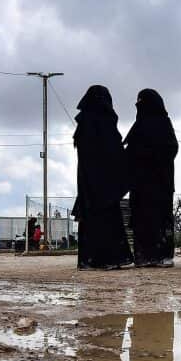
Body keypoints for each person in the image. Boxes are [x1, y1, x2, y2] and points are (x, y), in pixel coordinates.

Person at [72, 85, 133, 270]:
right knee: (107, 218)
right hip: (106, 183)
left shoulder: (83, 124)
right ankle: (108, 259)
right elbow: (115, 152)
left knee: (90, 219)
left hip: (87, 182)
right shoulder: (105, 121)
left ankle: (88, 260)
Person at [123, 88, 179, 267]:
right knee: (143, 219)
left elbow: (172, 149)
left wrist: (147, 157)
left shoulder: (163, 124)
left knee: (159, 218)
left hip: (159, 182)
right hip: (143, 184)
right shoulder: (138, 127)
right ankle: (144, 256)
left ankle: (162, 255)